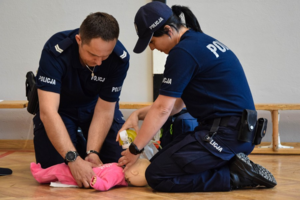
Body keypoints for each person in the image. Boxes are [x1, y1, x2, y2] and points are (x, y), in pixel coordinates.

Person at [117, 1, 277, 192]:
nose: (152, 48)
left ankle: (234, 176)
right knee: (158, 160)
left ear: (168, 30)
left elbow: (163, 109)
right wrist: (137, 114)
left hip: (224, 136)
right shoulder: (200, 42)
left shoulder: (182, 53)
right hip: (236, 133)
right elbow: (176, 105)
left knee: (156, 175)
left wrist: (135, 149)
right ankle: (230, 163)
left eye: (152, 41)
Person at [34, 12, 130, 188]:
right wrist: (72, 158)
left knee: (124, 161)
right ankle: (76, 146)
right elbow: (48, 111)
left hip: (95, 109)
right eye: (93, 55)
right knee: (54, 168)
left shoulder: (120, 59)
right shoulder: (56, 49)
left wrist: (93, 152)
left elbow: (105, 110)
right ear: (79, 40)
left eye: (105, 56)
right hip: (61, 111)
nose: (99, 62)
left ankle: (85, 147)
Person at [30, 158, 150, 191]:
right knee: (57, 169)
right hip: (83, 169)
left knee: (58, 170)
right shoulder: (119, 171)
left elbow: (105, 185)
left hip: (77, 175)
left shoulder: (118, 175)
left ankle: (38, 173)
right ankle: (39, 172)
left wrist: (96, 182)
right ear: (135, 172)